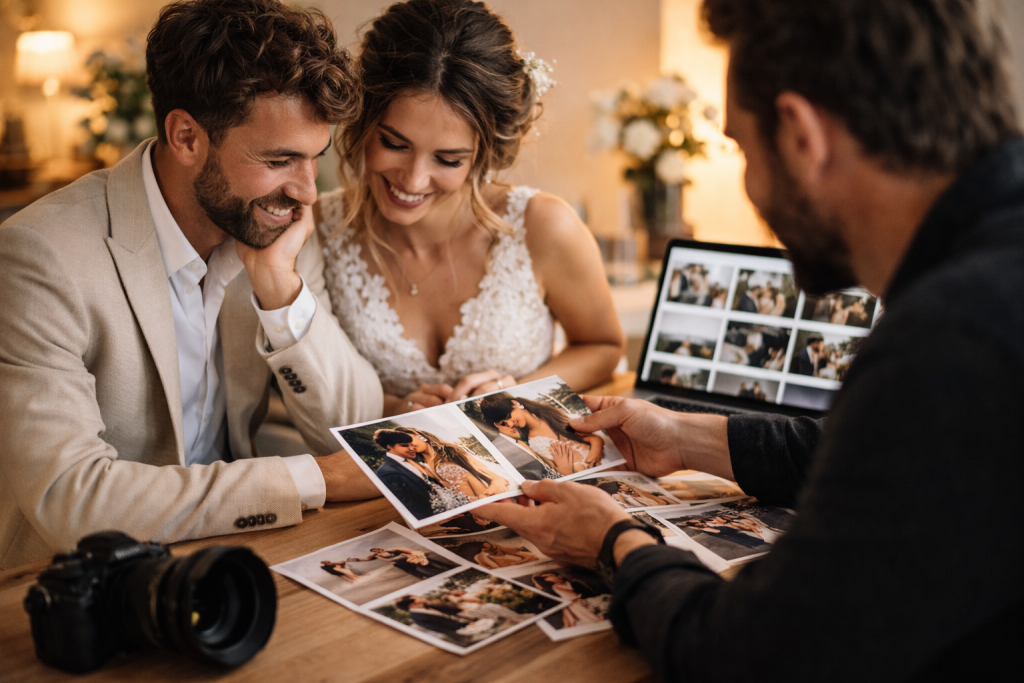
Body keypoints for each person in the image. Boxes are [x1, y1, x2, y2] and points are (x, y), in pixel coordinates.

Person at [477, 0, 1024, 680]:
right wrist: (683, 435)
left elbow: (752, 655)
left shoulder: (950, 341)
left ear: (799, 133)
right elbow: (874, 453)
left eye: (738, 145)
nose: (747, 182)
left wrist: (615, 540)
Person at [0, 0, 384, 571]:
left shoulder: (274, 228)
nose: (307, 191)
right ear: (185, 137)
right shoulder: (40, 256)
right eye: (280, 160)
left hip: (232, 563)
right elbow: (71, 500)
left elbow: (355, 429)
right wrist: (316, 478)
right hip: (85, 588)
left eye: (315, 159)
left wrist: (279, 284)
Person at [316, 0, 624, 417]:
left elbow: (603, 346)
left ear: (483, 153)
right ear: (362, 119)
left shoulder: (543, 226)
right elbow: (295, 380)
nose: (413, 180)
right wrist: (386, 405)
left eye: (448, 159)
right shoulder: (318, 230)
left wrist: (517, 390)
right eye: (393, 143)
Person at [480, 394, 604, 476]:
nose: (510, 424)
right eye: (504, 423)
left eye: (508, 417)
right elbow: (560, 471)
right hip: (584, 473)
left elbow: (587, 437)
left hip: (600, 460)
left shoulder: (550, 415)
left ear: (515, 404)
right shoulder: (533, 441)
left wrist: (595, 450)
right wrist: (567, 469)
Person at [346, 546, 458, 580]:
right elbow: (366, 559)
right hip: (398, 562)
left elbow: (405, 550)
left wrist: (410, 553)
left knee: (426, 562)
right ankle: (423, 576)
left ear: (379, 548)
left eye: (376, 550)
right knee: (413, 569)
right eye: (374, 551)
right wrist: (353, 559)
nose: (376, 551)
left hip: (404, 558)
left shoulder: (391, 549)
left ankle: (449, 568)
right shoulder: (376, 556)